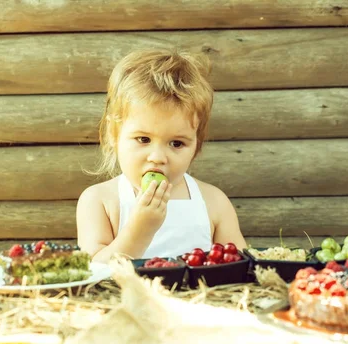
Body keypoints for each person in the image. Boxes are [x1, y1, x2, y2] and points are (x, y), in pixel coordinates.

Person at [76, 49, 247, 263]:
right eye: (143, 139)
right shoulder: (100, 201)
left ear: (196, 145)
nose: (157, 157)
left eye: (176, 143)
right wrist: (140, 230)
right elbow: (94, 270)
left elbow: (239, 266)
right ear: (114, 134)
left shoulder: (214, 202)